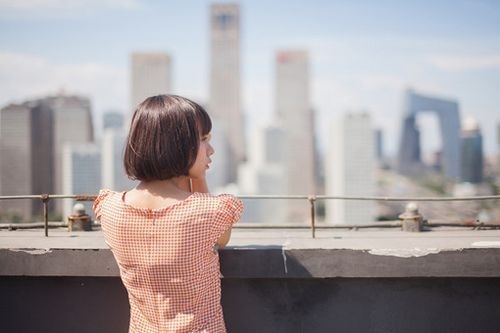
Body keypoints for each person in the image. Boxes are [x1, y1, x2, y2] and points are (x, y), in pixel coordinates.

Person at [93, 94, 243, 333]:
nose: (211, 149)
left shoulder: (111, 209)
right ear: (177, 146)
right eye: (203, 140)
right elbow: (221, 239)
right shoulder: (207, 212)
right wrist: (200, 177)